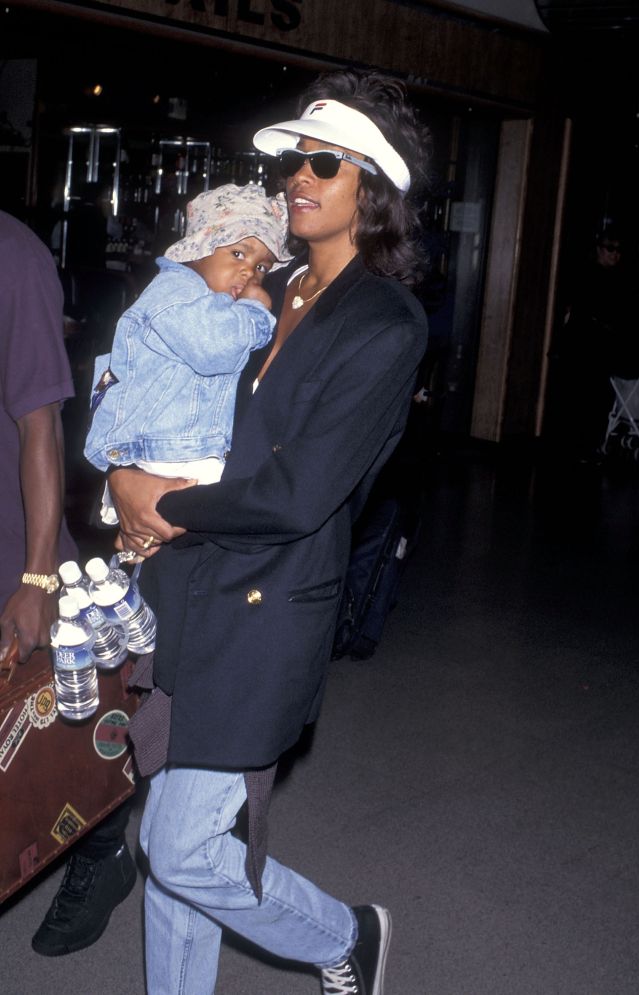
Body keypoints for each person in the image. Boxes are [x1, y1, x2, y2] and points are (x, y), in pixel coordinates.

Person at [107, 68, 430, 994]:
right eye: (295, 157)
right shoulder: (265, 280)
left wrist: (162, 504)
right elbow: (150, 366)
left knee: (183, 851)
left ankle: (344, 936)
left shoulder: (385, 323)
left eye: (323, 162)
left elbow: (296, 494)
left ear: (373, 189)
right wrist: (125, 468)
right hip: (185, 589)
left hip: (266, 609)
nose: (297, 175)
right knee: (174, 841)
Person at [0, 209, 136, 957]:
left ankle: (104, 847)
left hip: (15, 545)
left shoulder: (10, 253)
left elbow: (40, 426)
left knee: (61, 729)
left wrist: (37, 571)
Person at [84, 182, 291, 520]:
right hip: (166, 453)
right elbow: (216, 349)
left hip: (170, 453)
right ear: (198, 248)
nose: (248, 272)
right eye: (238, 253)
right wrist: (255, 312)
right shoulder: (177, 292)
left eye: (261, 267)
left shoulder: (205, 301)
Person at [556, 227, 639, 462]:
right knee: (581, 396)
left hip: (600, 348)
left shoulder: (618, 279)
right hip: (583, 346)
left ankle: (589, 445)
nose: (615, 255)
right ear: (599, 249)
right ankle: (577, 445)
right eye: (610, 249)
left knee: (597, 398)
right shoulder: (587, 274)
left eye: (618, 250)